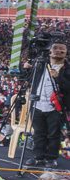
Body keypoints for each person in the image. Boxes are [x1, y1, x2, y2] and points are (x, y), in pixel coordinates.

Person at [23, 40, 70, 168]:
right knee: (38, 132)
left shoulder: (67, 69)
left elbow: (68, 88)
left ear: (66, 53)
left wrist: (58, 78)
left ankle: (51, 158)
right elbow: (28, 80)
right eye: (56, 48)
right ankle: (38, 157)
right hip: (37, 104)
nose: (59, 51)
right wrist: (26, 70)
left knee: (54, 134)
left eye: (62, 50)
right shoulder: (40, 65)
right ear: (49, 51)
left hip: (56, 106)